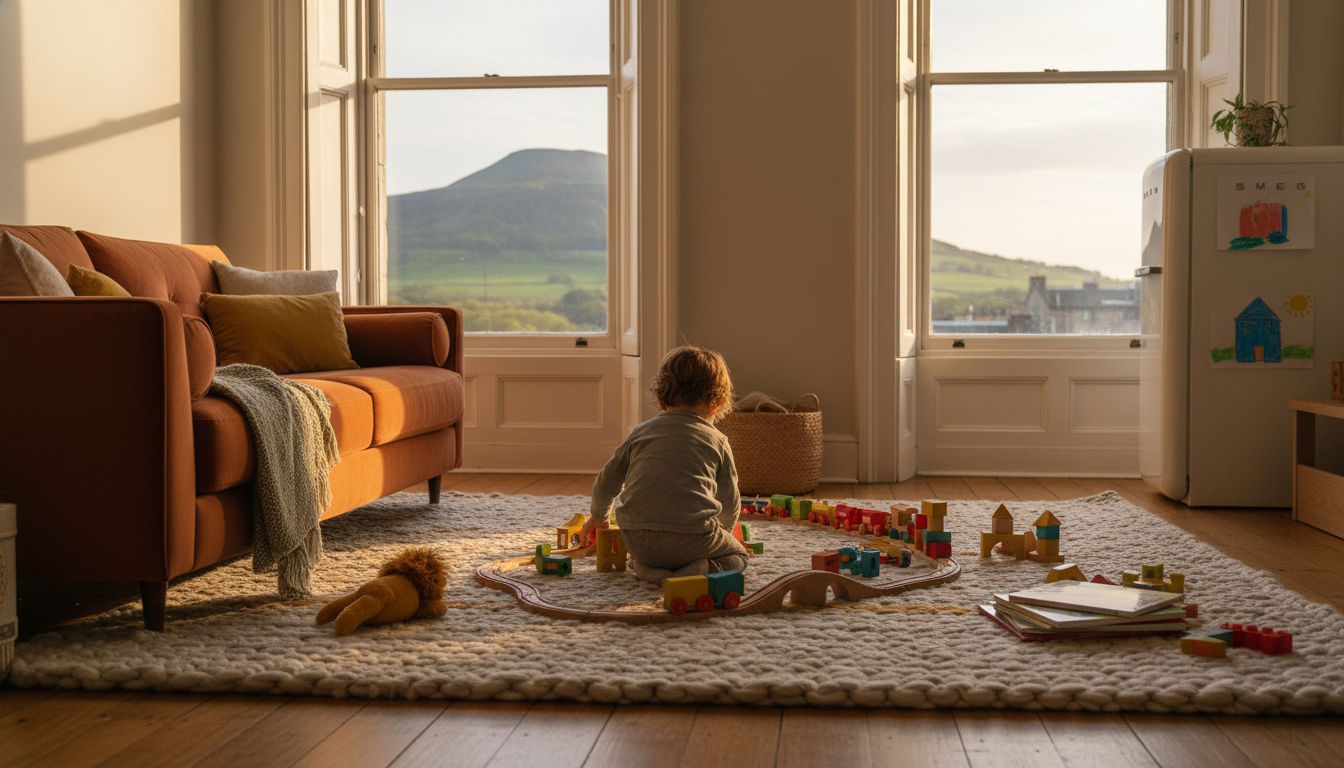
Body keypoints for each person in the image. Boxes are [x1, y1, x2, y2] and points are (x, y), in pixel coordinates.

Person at [582, 345, 747, 585]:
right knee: (738, 555)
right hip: (692, 540)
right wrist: (719, 535)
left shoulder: (640, 432)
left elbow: (606, 480)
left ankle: (648, 570)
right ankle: (700, 568)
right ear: (717, 402)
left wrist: (598, 517)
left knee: (637, 556)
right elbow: (730, 502)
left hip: (636, 539)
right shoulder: (717, 440)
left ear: (661, 398)